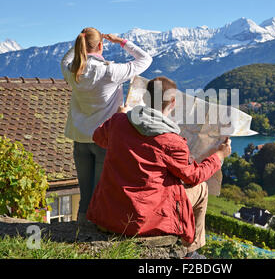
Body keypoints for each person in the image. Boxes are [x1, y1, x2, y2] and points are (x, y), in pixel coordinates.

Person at [87, 76, 232, 259]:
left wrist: (119, 114)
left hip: (108, 215)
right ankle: (190, 251)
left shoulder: (119, 122)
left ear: (145, 97)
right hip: (141, 222)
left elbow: (98, 137)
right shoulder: (172, 141)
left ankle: (190, 250)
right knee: (201, 188)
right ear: (173, 102)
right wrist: (219, 156)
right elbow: (194, 176)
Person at [60, 27, 153, 225]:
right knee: (101, 191)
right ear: (101, 45)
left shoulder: (72, 72)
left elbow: (65, 61)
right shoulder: (111, 71)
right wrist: (120, 41)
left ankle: (80, 229)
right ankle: (95, 233)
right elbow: (145, 59)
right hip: (104, 138)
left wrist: (80, 44)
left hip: (80, 140)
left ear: (80, 46)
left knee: (85, 194)